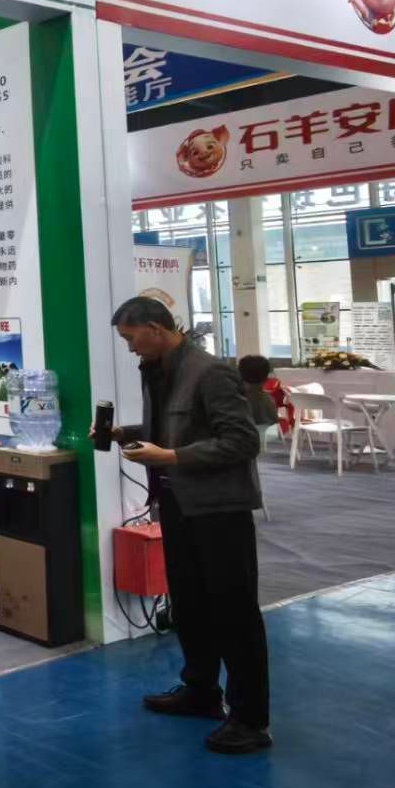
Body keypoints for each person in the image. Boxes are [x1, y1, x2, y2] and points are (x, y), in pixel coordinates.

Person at [108, 297, 270, 755]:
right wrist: (127, 434)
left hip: (219, 510)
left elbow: (242, 441)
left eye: (131, 338)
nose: (130, 348)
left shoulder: (210, 371)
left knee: (234, 612)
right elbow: (175, 429)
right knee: (190, 604)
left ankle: (250, 719)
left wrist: (171, 457)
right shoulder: (158, 371)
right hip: (178, 505)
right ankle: (201, 690)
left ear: (155, 328)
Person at [238, 354, 289, 435]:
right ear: (265, 378)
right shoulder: (267, 399)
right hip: (265, 436)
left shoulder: (234, 398)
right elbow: (274, 422)